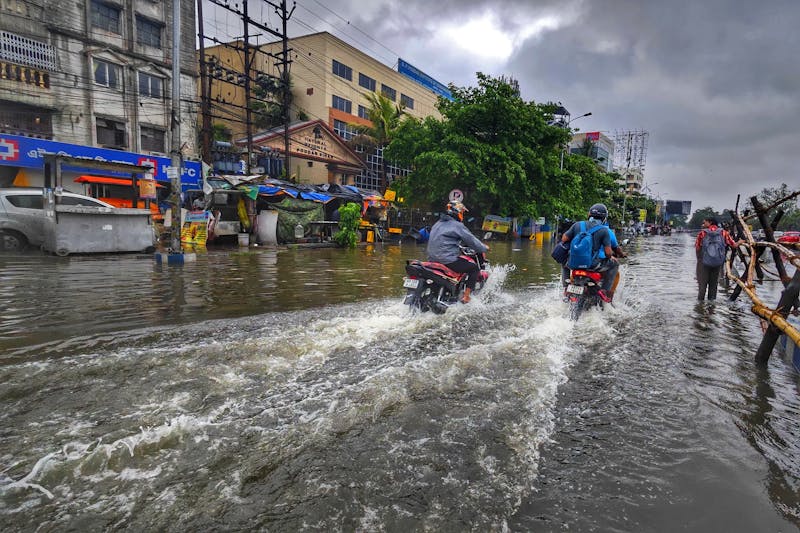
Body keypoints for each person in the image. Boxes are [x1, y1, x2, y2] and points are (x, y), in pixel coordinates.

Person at [427, 201, 490, 303]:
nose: (462, 215)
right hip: (447, 260)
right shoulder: (457, 225)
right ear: (457, 212)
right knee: (474, 268)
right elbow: (472, 241)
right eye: (462, 213)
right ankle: (466, 297)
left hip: (432, 259)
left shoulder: (437, 224)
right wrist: (484, 248)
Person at [561, 203, 619, 303]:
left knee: (563, 262)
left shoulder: (577, 225)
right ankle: (605, 291)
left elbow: (564, 239)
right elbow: (608, 253)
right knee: (615, 265)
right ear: (604, 218)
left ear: (589, 215)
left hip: (573, 264)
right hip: (592, 265)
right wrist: (611, 257)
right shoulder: (604, 230)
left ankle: (566, 287)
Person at [695, 217, 742, 300]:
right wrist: (740, 242)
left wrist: (699, 260)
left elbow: (697, 248)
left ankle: (700, 306)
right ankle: (711, 307)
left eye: (704, 222)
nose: (703, 224)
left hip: (704, 262)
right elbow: (733, 245)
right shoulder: (724, 233)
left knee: (702, 286)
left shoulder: (702, 233)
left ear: (710, 222)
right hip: (717, 262)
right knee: (713, 285)